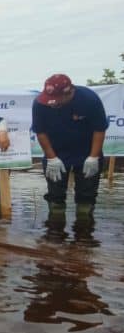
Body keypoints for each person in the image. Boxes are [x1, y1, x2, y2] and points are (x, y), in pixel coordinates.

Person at [31, 74, 108, 222]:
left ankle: (84, 235)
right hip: (56, 152)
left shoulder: (89, 99)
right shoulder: (40, 103)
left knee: (87, 195)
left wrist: (93, 156)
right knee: (55, 195)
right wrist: (51, 157)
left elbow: (99, 129)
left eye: (56, 100)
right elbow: (40, 132)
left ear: (69, 93)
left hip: (87, 151)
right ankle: (55, 233)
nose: (51, 104)